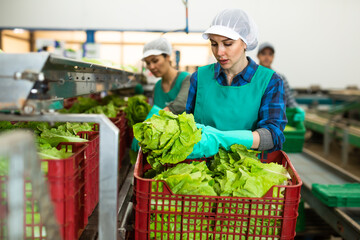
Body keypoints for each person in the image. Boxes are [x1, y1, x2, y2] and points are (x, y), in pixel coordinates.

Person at [186, 8, 287, 158]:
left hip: (245, 171)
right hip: (201, 169)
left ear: (245, 42)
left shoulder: (269, 81)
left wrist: (223, 139)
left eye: (228, 44)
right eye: (214, 44)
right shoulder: (199, 78)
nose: (219, 52)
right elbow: (187, 125)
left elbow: (272, 136)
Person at [131, 37, 191, 151]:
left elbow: (179, 105)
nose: (151, 67)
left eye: (155, 61)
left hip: (185, 143)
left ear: (167, 57)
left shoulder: (187, 79)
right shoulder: (157, 86)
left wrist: (146, 124)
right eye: (148, 63)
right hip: (163, 144)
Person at [257, 42, 305, 121]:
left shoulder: (280, 78)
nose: (267, 57)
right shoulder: (252, 77)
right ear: (258, 56)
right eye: (263, 54)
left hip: (274, 120)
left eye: (270, 54)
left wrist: (298, 109)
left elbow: (290, 100)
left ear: (273, 57)